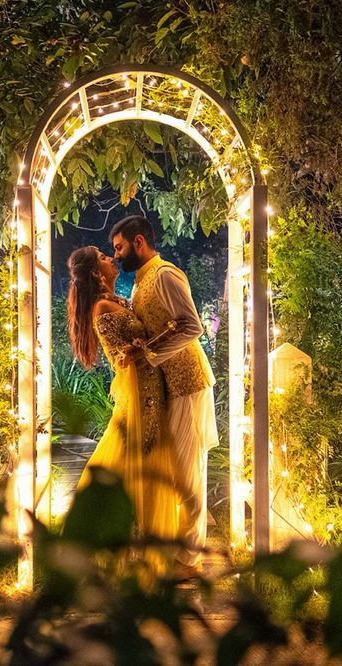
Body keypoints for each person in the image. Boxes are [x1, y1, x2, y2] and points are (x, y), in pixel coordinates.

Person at [110, 215, 218, 573]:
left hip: (187, 381)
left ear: (138, 242)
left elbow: (192, 326)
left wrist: (150, 353)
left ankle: (190, 559)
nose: (116, 255)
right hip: (168, 386)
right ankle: (178, 549)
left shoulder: (165, 275)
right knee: (172, 470)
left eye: (120, 247)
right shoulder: (140, 283)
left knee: (188, 473)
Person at [66, 245, 182, 549]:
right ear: (95, 272)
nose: (112, 258)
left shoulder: (117, 301)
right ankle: (128, 544)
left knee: (144, 463)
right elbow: (119, 355)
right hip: (139, 390)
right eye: (105, 258)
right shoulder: (102, 309)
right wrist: (157, 339)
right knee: (135, 461)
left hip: (150, 385)